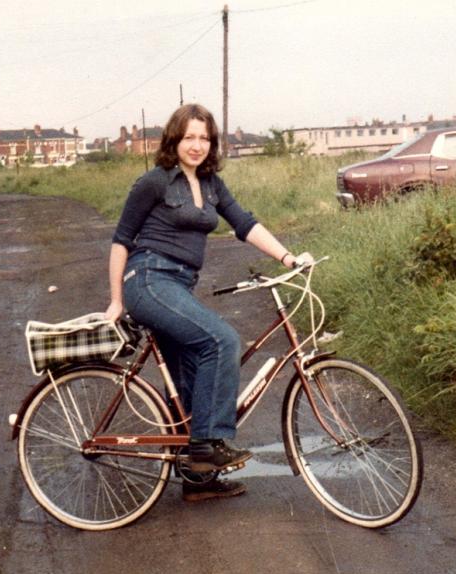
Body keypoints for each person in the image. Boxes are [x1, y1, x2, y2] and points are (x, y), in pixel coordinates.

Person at [105, 104, 311, 502]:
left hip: (178, 286)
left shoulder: (212, 184)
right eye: (189, 137)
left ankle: (198, 482)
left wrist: (288, 258)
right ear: (174, 140)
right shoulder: (154, 182)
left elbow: (245, 223)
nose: (197, 146)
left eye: (204, 138)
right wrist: (116, 301)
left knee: (188, 380)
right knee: (221, 341)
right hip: (148, 279)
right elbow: (121, 240)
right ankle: (206, 446)